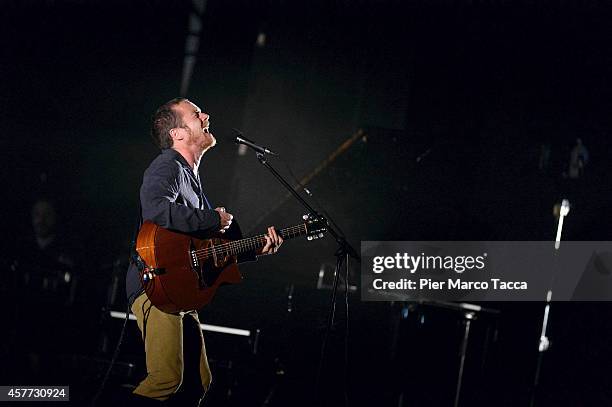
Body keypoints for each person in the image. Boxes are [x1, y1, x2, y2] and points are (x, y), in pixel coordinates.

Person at [125, 98, 283, 406]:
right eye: (197, 114)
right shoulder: (167, 164)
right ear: (178, 134)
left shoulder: (190, 177)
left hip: (178, 288)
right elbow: (156, 208)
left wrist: (253, 249)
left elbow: (202, 250)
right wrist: (214, 218)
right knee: (166, 379)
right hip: (156, 285)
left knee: (198, 383)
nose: (207, 115)